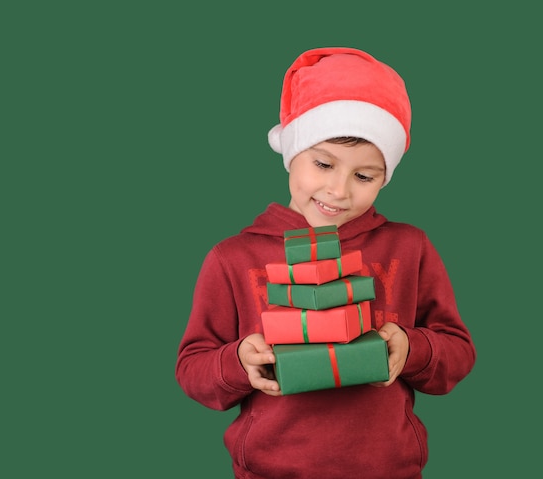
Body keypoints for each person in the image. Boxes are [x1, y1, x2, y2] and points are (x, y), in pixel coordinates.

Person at [175, 47, 476, 479]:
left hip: (390, 469)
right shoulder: (232, 258)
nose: (338, 190)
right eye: (323, 163)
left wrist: (412, 348)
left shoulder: (409, 247)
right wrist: (239, 361)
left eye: (364, 175)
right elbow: (191, 369)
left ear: (385, 177)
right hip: (269, 470)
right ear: (291, 150)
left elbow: (458, 353)